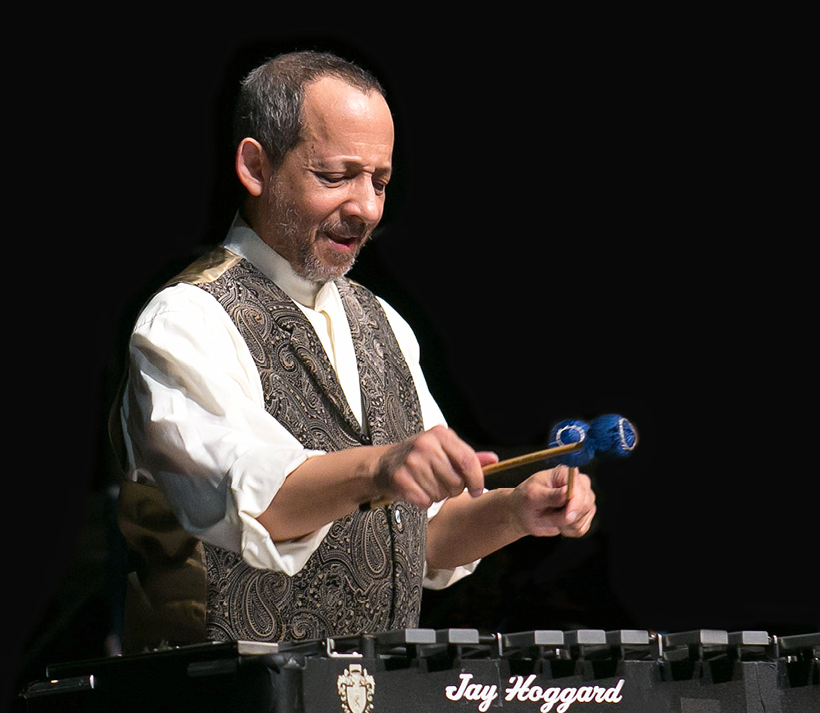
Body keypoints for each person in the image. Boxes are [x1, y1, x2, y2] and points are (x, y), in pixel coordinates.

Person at [112, 50, 596, 651]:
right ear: (256, 166)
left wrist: (516, 512)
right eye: (336, 177)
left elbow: (425, 535)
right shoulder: (185, 321)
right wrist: (384, 465)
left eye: (380, 182)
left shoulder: (384, 323)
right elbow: (258, 502)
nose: (366, 207)